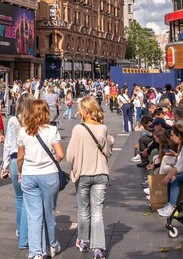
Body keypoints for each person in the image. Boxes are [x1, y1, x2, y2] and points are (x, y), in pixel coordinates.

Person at [66, 97, 113, 259]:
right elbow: (108, 151)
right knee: (97, 211)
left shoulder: (78, 129)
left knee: (83, 210)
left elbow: (69, 155)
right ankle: (98, 247)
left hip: (83, 174)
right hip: (100, 173)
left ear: (85, 111)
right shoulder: (103, 128)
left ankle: (84, 240)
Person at [18, 98, 65, 259]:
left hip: (29, 175)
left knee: (34, 216)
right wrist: (51, 162)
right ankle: (52, 245)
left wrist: (20, 172)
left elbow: (20, 157)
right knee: (49, 212)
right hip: (49, 175)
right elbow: (60, 154)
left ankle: (36, 252)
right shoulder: (52, 130)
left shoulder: (23, 131)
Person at [3, 93, 34, 250]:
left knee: (19, 198)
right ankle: (26, 232)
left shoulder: (13, 121)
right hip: (29, 161)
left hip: (15, 160)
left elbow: (8, 144)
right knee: (30, 199)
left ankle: (19, 229)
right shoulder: (34, 121)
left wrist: (4, 165)